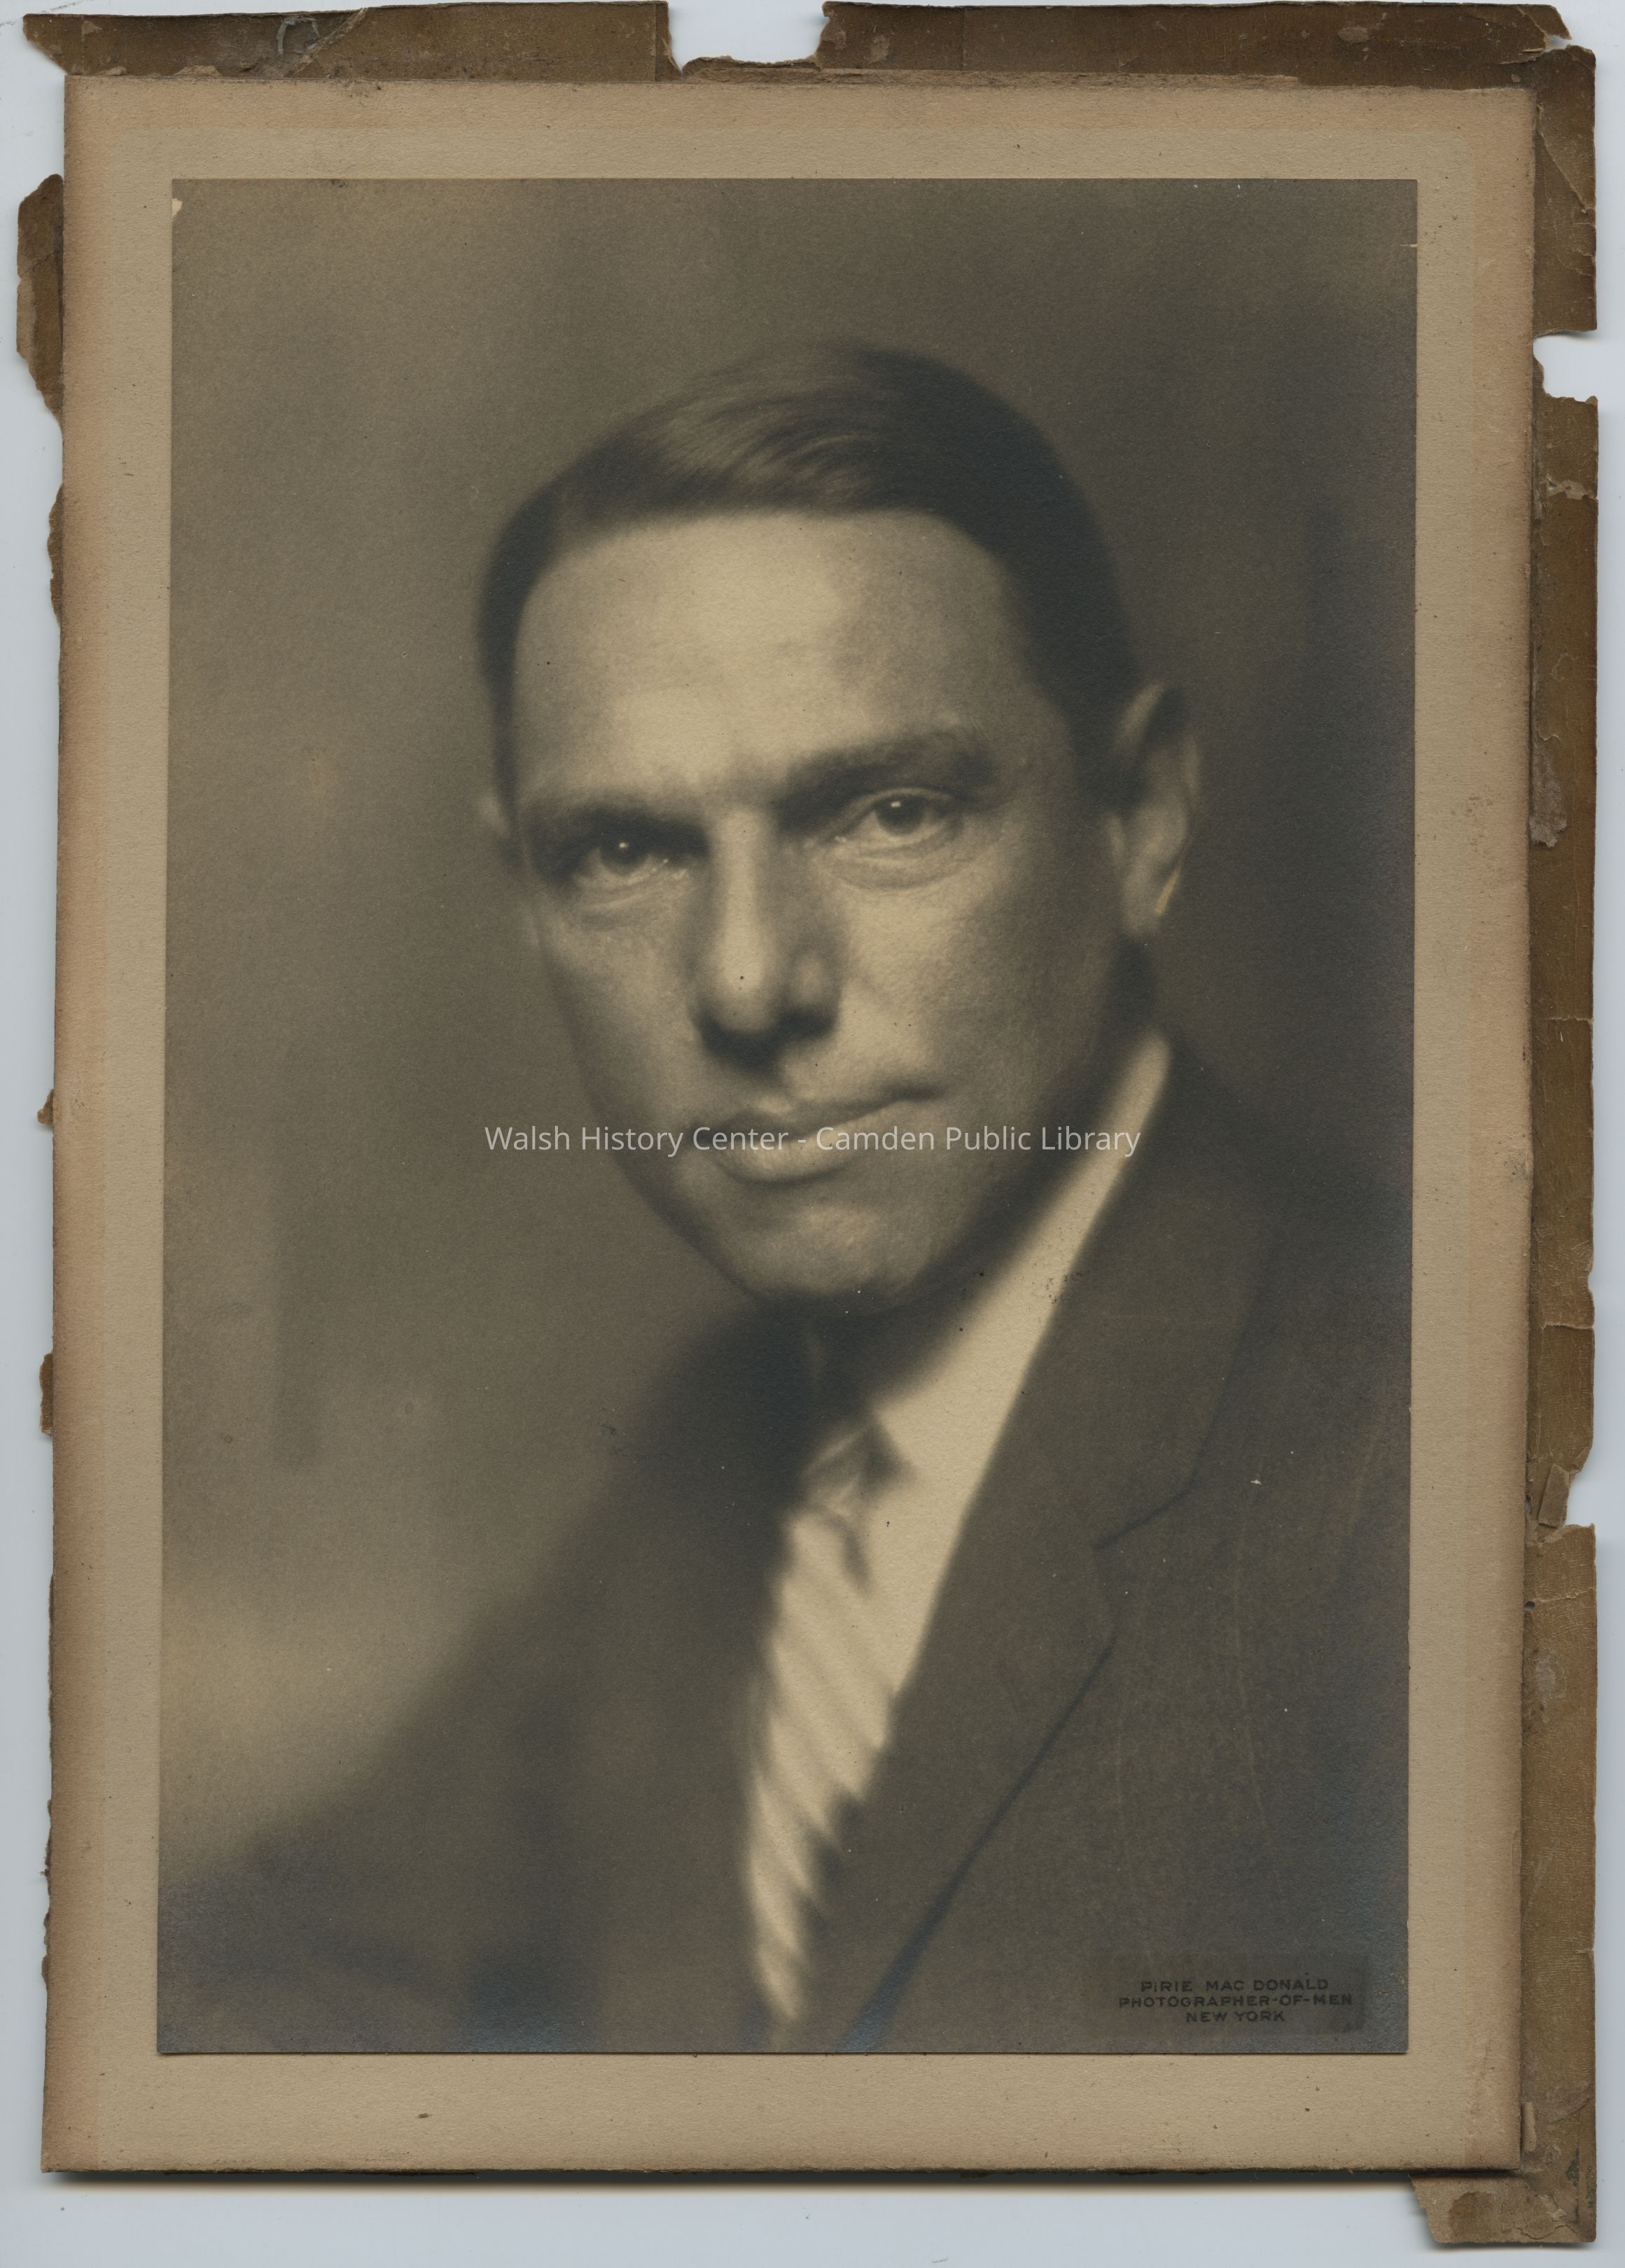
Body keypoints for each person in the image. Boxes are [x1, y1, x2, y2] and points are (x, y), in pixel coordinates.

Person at [160, 345, 1408, 2056]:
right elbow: (271, 1981)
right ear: (523, 894)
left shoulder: (1429, 1461)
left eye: (891, 812)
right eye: (623, 851)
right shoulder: (731, 1442)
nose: (747, 981)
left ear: (1140, 820)